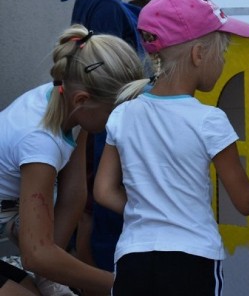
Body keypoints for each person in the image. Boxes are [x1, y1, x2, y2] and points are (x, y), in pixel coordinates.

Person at [93, 0, 249, 295]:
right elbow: (246, 201)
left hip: (133, 258)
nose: (223, 60)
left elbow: (103, 191)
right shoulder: (208, 120)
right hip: (192, 260)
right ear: (198, 54)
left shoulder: (123, 114)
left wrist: (150, 211)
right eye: (222, 52)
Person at [0, 25, 145, 295]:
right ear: (83, 99)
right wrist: (122, 284)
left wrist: (48, 274)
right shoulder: (40, 141)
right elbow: (37, 254)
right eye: (117, 112)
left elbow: (73, 196)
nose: (122, 122)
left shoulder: (64, 102)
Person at [62, 0, 146, 273]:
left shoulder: (97, 4)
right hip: (114, 137)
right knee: (113, 234)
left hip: (108, 136)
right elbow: (111, 83)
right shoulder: (105, 7)